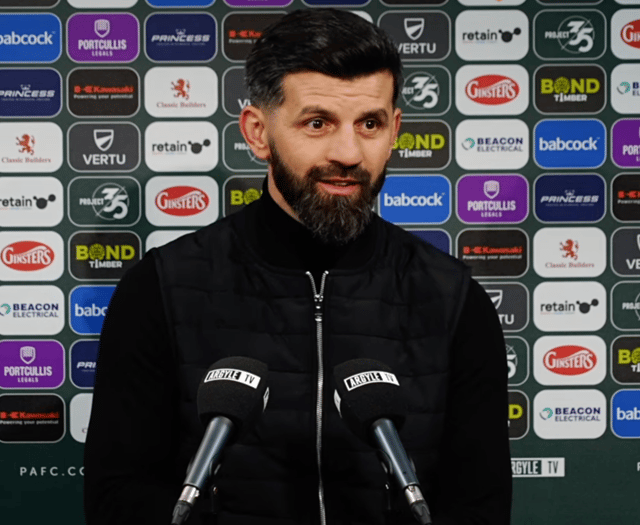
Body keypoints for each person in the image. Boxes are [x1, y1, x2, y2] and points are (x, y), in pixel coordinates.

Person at [84, 8, 511, 525]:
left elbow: (480, 507)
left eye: (370, 123)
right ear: (258, 133)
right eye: (317, 123)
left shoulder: (454, 300)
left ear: (395, 129)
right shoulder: (160, 289)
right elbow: (118, 500)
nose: (348, 152)